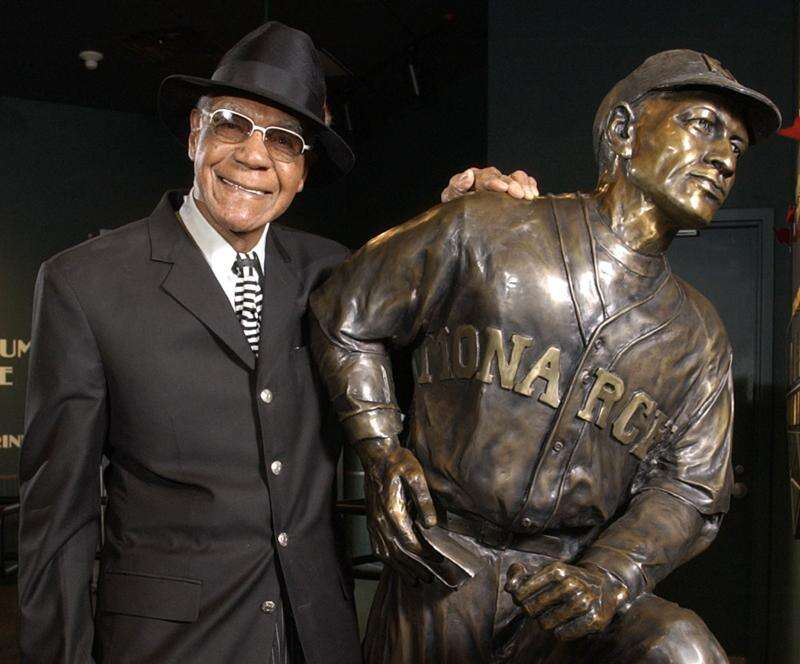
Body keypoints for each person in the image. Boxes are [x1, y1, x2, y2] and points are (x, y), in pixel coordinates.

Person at [17, 21, 535, 664]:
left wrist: (461, 225)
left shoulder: (334, 273)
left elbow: (440, 364)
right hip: (170, 646)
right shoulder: (84, 283)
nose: (254, 157)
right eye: (232, 125)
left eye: (284, 140)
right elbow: (58, 520)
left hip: (319, 639)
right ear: (195, 134)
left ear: (301, 171)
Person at [310, 49, 781, 663]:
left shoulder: (699, 335)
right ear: (623, 130)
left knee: (680, 647)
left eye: (737, 147)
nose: (724, 158)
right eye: (702, 125)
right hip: (444, 563)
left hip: (568, 587)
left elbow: (690, 488)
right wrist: (379, 449)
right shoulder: (490, 227)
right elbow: (344, 312)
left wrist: (609, 575)